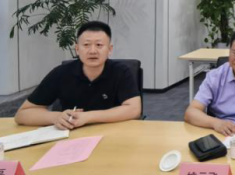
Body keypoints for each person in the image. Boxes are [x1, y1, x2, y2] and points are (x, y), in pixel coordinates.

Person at [14, 21, 142, 129]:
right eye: (86, 45)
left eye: (99, 45)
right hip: (72, 135)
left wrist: (87, 117)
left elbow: (134, 109)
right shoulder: (61, 73)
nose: (92, 51)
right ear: (77, 49)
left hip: (112, 133)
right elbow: (22, 114)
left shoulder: (121, 71)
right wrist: (56, 117)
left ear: (109, 49)